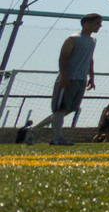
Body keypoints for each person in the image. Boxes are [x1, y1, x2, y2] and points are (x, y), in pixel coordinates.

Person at [35, 14, 103, 145]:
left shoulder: (92, 40)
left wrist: (91, 76)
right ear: (86, 24)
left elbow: (89, 59)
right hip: (68, 78)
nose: (100, 25)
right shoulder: (73, 39)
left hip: (80, 79)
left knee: (70, 108)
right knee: (60, 109)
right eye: (97, 23)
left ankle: (33, 130)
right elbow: (63, 58)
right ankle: (57, 138)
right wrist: (65, 77)